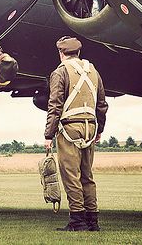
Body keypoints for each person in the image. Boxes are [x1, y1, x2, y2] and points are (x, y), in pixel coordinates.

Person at [44, 35, 108, 232]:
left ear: (61, 53)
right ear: (78, 52)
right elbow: (102, 104)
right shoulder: (93, 71)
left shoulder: (60, 72)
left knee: (71, 176)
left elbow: (54, 105)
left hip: (70, 128)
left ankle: (77, 221)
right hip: (90, 128)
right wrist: (100, 129)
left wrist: (48, 134)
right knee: (87, 176)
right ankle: (92, 221)